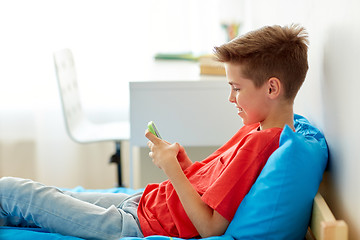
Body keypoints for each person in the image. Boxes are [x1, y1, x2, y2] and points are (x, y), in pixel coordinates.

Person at [0, 24, 309, 240]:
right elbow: (213, 188)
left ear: (271, 87)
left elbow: (211, 227)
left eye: (236, 88)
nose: (231, 98)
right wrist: (186, 167)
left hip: (133, 225)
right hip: (141, 202)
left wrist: (170, 167)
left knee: (13, 192)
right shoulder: (255, 130)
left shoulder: (259, 143)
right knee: (29, 198)